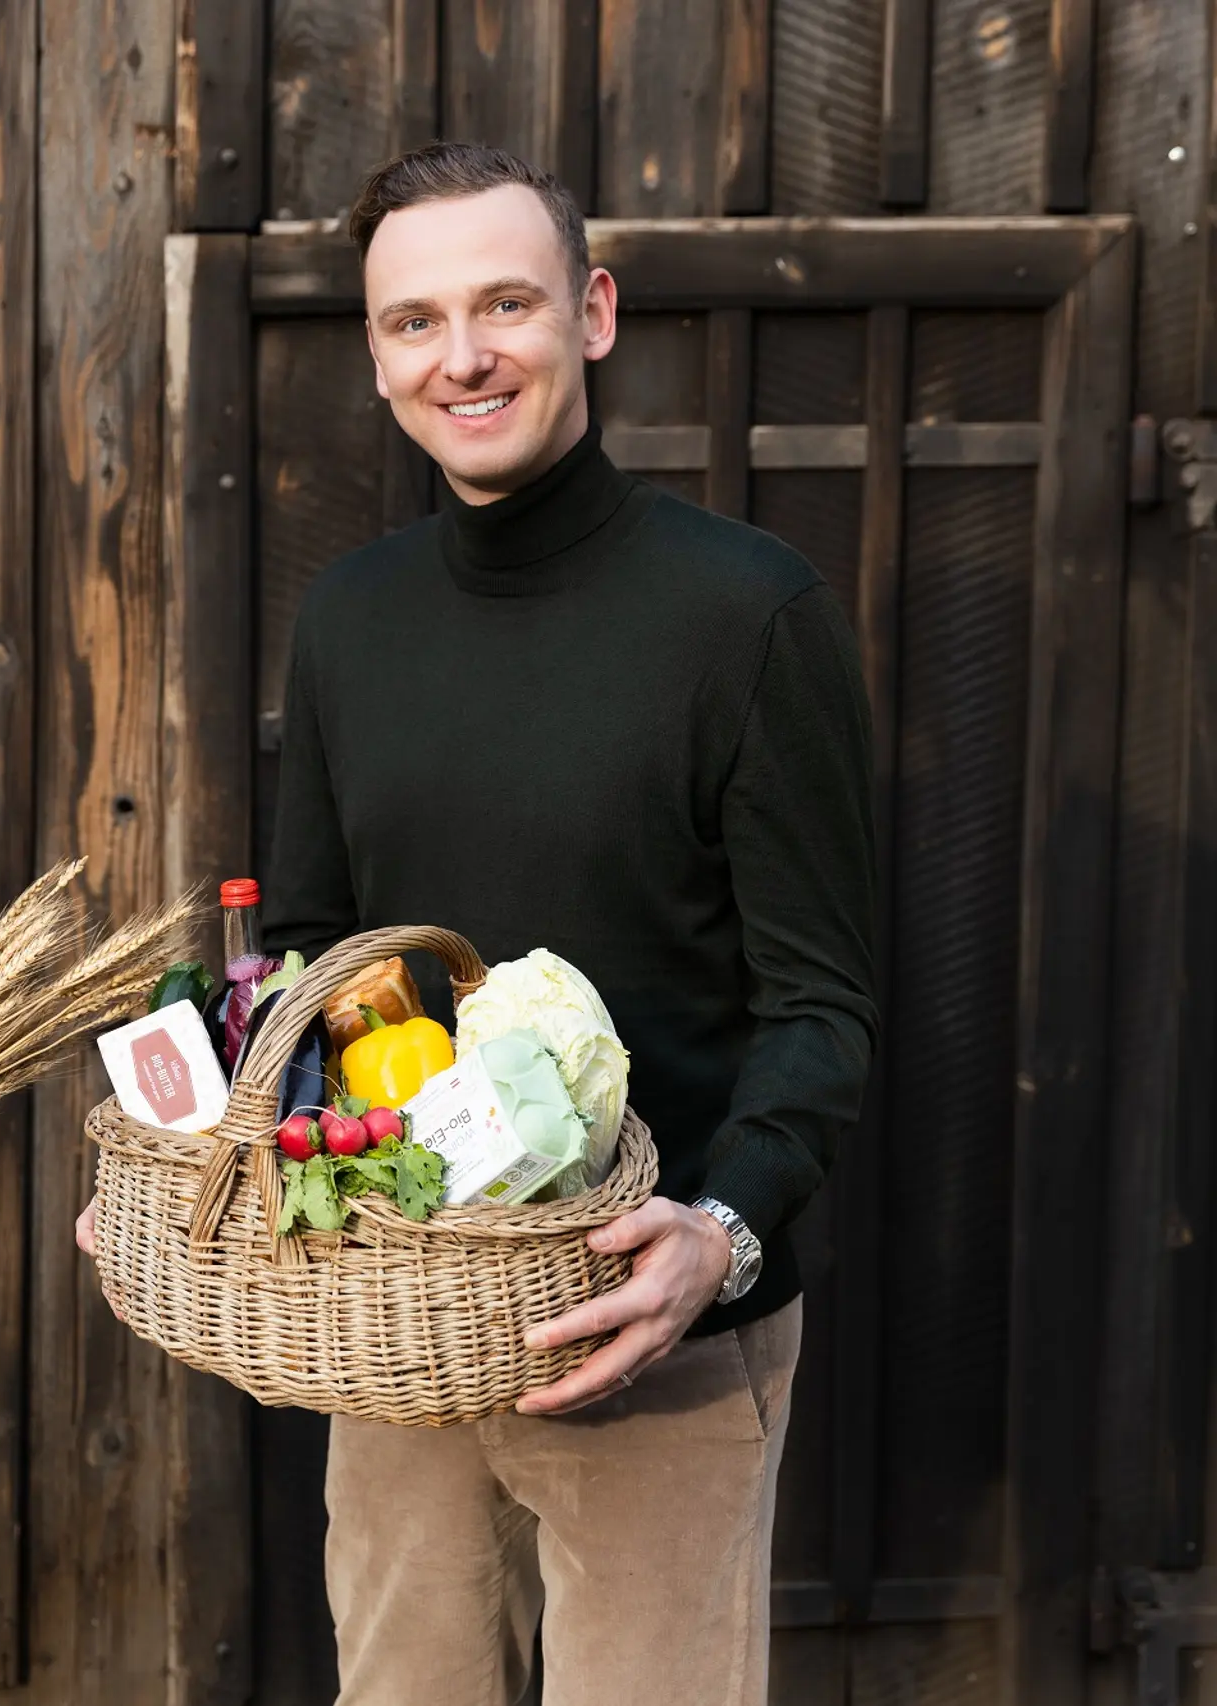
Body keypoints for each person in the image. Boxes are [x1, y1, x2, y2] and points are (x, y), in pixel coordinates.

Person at [257, 143, 873, 1703]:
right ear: (379, 354)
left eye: (505, 303)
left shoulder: (747, 613)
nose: (461, 355)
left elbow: (824, 1006)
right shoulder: (351, 621)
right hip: (405, 1331)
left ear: (591, 312)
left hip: (650, 1333)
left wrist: (718, 1241)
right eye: (413, 321)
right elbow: (320, 969)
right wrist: (230, 1163)